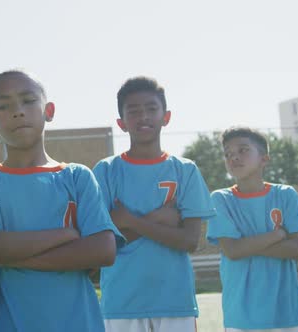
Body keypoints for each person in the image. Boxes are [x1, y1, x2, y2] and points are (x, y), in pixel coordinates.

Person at [0, 69, 123, 332]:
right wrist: (65, 235)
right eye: (3, 105)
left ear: (49, 110)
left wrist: (8, 256)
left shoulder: (77, 177)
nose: (17, 111)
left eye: (28, 100)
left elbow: (103, 250)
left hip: (76, 323)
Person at [93, 76, 216, 332]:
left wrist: (129, 221)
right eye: (134, 111)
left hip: (174, 301)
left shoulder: (185, 170)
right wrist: (160, 219)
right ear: (121, 122)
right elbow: (104, 244)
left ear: (166, 116)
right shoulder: (106, 170)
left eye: (151, 109)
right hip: (121, 302)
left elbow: (189, 241)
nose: (144, 117)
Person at [207, 127, 298, 332]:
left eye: (243, 150)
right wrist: (277, 235)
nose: (234, 157)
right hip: (242, 317)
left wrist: (245, 245)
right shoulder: (220, 199)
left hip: (288, 313)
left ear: (264, 159)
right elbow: (232, 252)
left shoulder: (286, 195)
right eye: (228, 153)